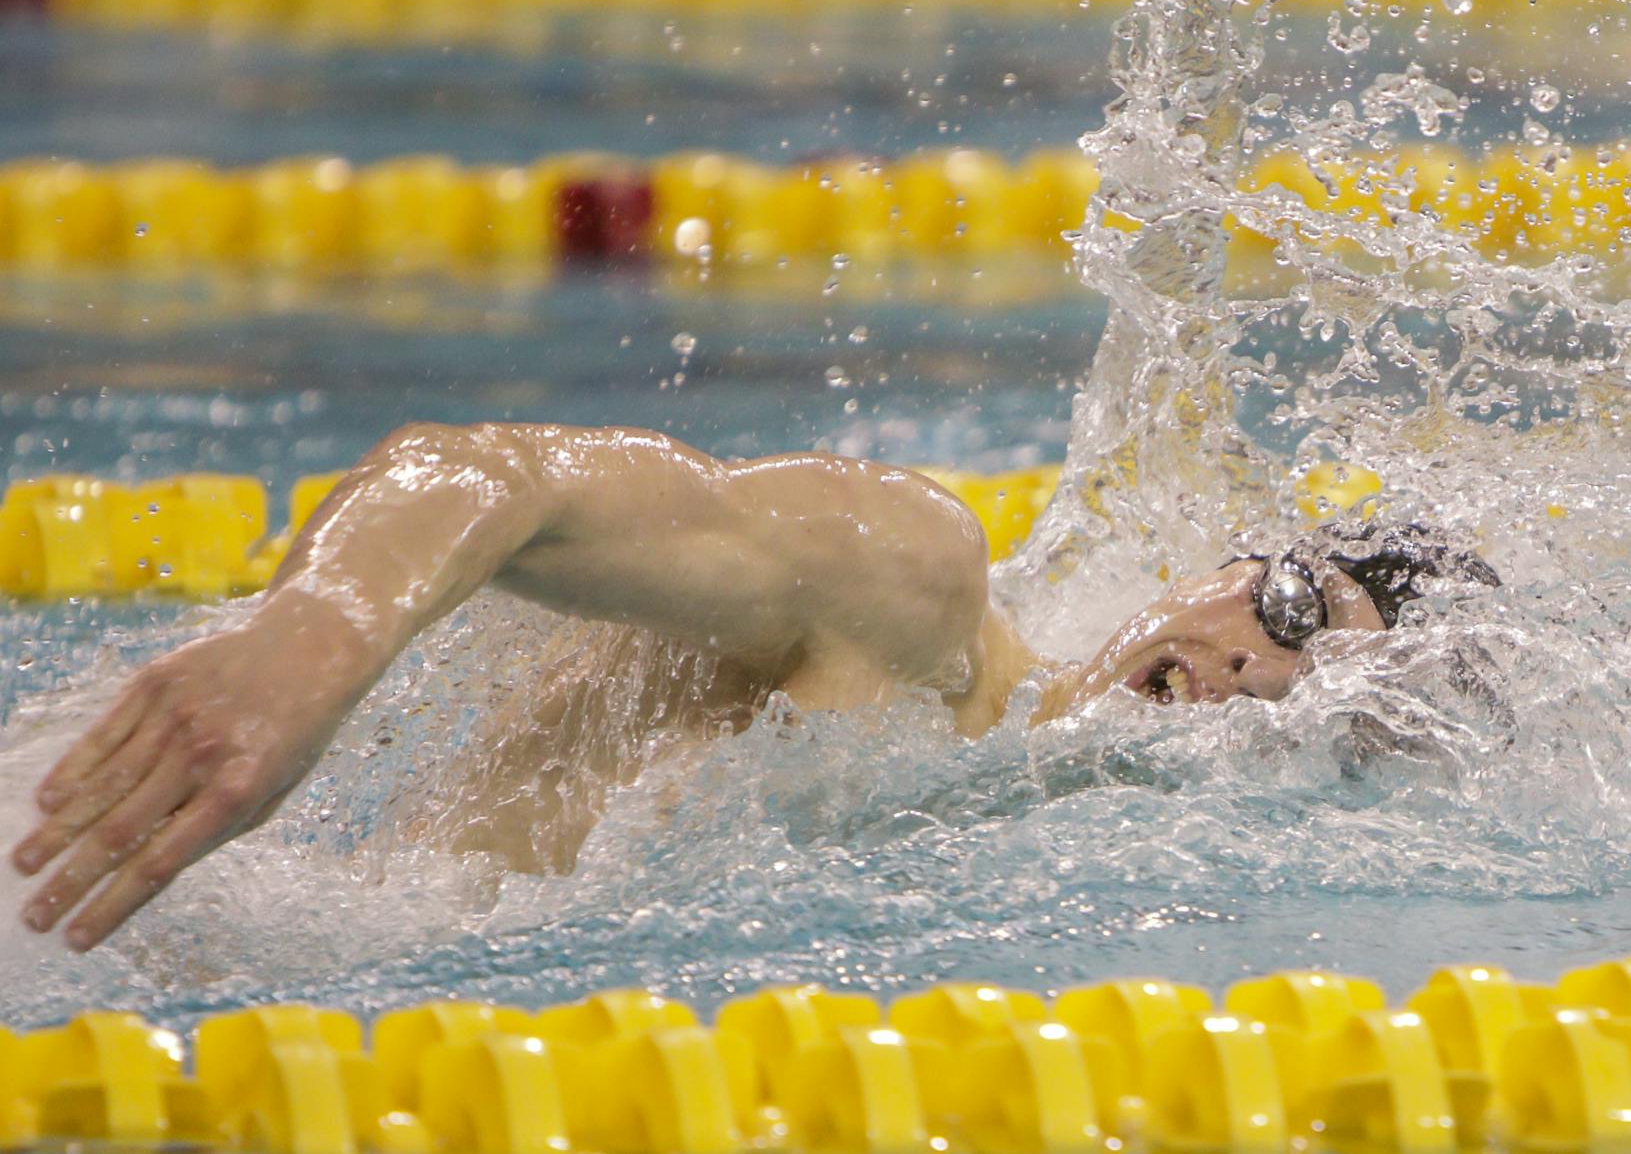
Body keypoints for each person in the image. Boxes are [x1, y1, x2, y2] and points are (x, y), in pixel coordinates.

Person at [9, 422, 1496, 951]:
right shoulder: (915, 588)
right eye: (1294, 605)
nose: (1254, 671)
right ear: (1220, 566)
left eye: (1313, 698)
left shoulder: (1017, 857)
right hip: (110, 878)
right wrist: (309, 642)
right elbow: (483, 469)